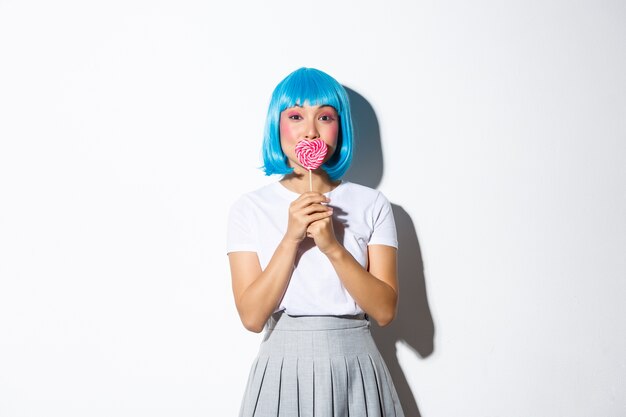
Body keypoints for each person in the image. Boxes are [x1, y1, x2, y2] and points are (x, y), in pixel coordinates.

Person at [227, 67, 405, 417]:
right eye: (295, 116)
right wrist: (291, 238)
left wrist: (333, 248)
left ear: (341, 127)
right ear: (276, 126)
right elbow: (251, 316)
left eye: (324, 116)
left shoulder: (372, 204)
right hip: (282, 365)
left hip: (355, 362)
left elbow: (384, 311)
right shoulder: (249, 208)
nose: (310, 130)